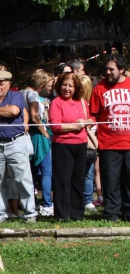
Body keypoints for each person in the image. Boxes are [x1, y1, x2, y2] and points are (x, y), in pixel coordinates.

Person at [0, 70, 37, 223]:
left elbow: (15, 110)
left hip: (16, 142)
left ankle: (30, 212)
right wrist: (4, 112)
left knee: (23, 178)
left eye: (2, 84)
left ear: (9, 84)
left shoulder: (16, 96)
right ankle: (1, 213)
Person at [89, 54, 130, 222]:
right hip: (108, 142)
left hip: (128, 142)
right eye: (106, 69)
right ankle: (111, 213)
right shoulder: (100, 88)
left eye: (111, 69)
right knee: (111, 180)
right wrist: (89, 124)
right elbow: (93, 113)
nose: (108, 72)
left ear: (121, 69)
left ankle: (128, 212)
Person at [49, 73, 93, 221]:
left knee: (78, 180)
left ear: (76, 88)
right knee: (62, 181)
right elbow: (55, 126)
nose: (67, 88)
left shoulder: (82, 102)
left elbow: (92, 118)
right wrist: (74, 126)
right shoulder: (57, 102)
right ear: (59, 86)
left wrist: (87, 121)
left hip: (81, 145)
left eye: (70, 86)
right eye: (64, 85)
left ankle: (77, 214)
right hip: (63, 145)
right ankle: (62, 214)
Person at [20, 69, 53, 216]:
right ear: (40, 85)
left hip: (27, 136)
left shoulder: (20, 92)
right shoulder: (32, 94)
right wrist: (45, 132)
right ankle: (47, 203)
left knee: (31, 171)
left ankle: (32, 202)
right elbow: (34, 116)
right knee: (47, 171)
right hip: (37, 135)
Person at [79, 74, 98, 213]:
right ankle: (82, 199)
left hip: (89, 143)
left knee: (89, 173)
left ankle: (87, 199)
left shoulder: (91, 105)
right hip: (76, 141)